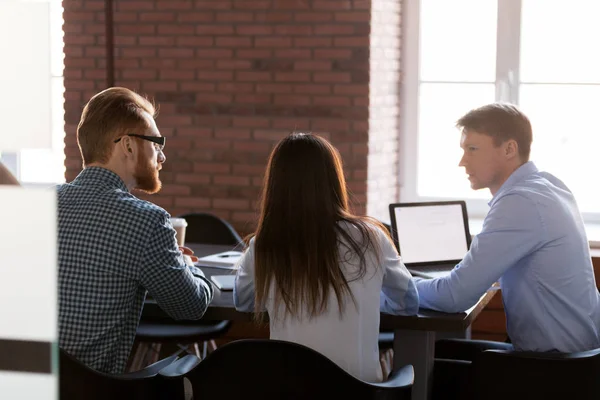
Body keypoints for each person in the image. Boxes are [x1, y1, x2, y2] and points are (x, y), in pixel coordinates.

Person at [414, 103, 600, 397]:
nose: (462, 162)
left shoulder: (520, 202)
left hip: (555, 370)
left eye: (473, 149)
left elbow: (454, 296)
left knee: (421, 369)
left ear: (509, 149)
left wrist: (398, 288)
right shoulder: (550, 185)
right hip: (583, 359)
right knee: (443, 350)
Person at [234, 133, 419, 382]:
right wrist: (367, 296)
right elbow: (408, 302)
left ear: (277, 185)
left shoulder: (265, 244)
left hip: (291, 392)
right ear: (333, 179)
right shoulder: (372, 236)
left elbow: (243, 302)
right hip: (361, 393)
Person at [58, 87, 213, 374]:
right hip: (91, 393)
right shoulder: (146, 221)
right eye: (156, 144)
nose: (162, 157)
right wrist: (189, 266)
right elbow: (190, 307)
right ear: (128, 146)